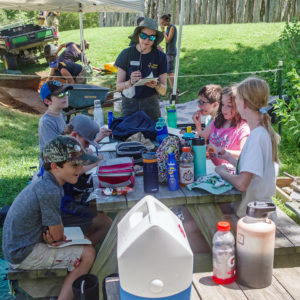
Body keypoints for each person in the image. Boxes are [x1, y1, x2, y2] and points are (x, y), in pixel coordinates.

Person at [2, 135, 97, 300]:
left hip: (23, 244)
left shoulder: (48, 182)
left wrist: (54, 236)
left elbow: (54, 234)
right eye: (74, 165)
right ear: (55, 166)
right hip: (22, 253)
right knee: (88, 253)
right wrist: (54, 236)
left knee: (84, 240)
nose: (80, 169)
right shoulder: (50, 190)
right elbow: (57, 235)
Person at [215, 77, 280, 218]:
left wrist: (221, 172)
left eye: (236, 100)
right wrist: (228, 157)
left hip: (254, 217)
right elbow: (253, 171)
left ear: (243, 103)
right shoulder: (260, 131)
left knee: (193, 225)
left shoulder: (257, 136)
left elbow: (242, 184)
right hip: (257, 210)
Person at [61, 115, 112, 246]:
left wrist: (84, 150)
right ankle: (81, 252)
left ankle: (85, 238)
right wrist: (96, 161)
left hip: (66, 202)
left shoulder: (64, 144)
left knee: (97, 204)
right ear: (74, 135)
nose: (87, 146)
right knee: (106, 223)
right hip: (61, 209)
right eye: (86, 142)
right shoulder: (62, 152)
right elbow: (78, 170)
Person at [115, 18, 167, 122]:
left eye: (151, 37)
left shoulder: (160, 57)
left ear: (155, 39)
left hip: (151, 104)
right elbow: (118, 87)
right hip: (129, 105)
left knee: (153, 136)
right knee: (128, 136)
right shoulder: (126, 54)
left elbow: (164, 90)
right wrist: (130, 82)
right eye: (144, 36)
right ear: (138, 35)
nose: (147, 40)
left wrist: (156, 84)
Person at [203, 86, 250, 167]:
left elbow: (244, 154)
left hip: (229, 173)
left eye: (229, 106)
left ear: (239, 106)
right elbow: (202, 136)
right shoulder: (216, 121)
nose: (224, 109)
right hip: (211, 169)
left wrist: (221, 150)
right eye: (223, 104)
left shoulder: (243, 128)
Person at [160, 14, 177, 93]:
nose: (162, 24)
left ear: (167, 21)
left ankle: (174, 90)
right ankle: (172, 88)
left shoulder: (172, 28)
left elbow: (168, 40)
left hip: (171, 52)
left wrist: (163, 31)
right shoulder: (168, 28)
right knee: (168, 71)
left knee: (170, 72)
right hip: (168, 51)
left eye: (163, 22)